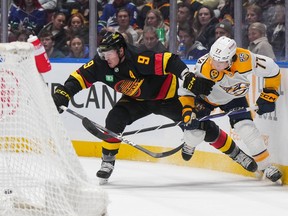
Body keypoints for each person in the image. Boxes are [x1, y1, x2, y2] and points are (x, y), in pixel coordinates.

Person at [52, 31, 255, 184]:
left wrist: (188, 78)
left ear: (121, 50)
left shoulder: (139, 58)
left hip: (168, 97)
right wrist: (64, 94)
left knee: (202, 127)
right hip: (135, 101)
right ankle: (107, 161)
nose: (106, 58)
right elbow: (78, 78)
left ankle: (236, 154)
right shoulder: (101, 64)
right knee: (114, 120)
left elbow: (170, 61)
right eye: (103, 54)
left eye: (110, 53)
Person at [179, 36, 282, 183]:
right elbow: (186, 90)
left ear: (231, 58)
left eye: (220, 62)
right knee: (195, 133)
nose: (215, 64)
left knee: (247, 129)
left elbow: (272, 69)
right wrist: (188, 110)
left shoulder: (246, 59)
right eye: (213, 59)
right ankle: (189, 143)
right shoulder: (203, 66)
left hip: (234, 97)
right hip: (206, 99)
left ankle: (266, 167)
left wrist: (270, 93)